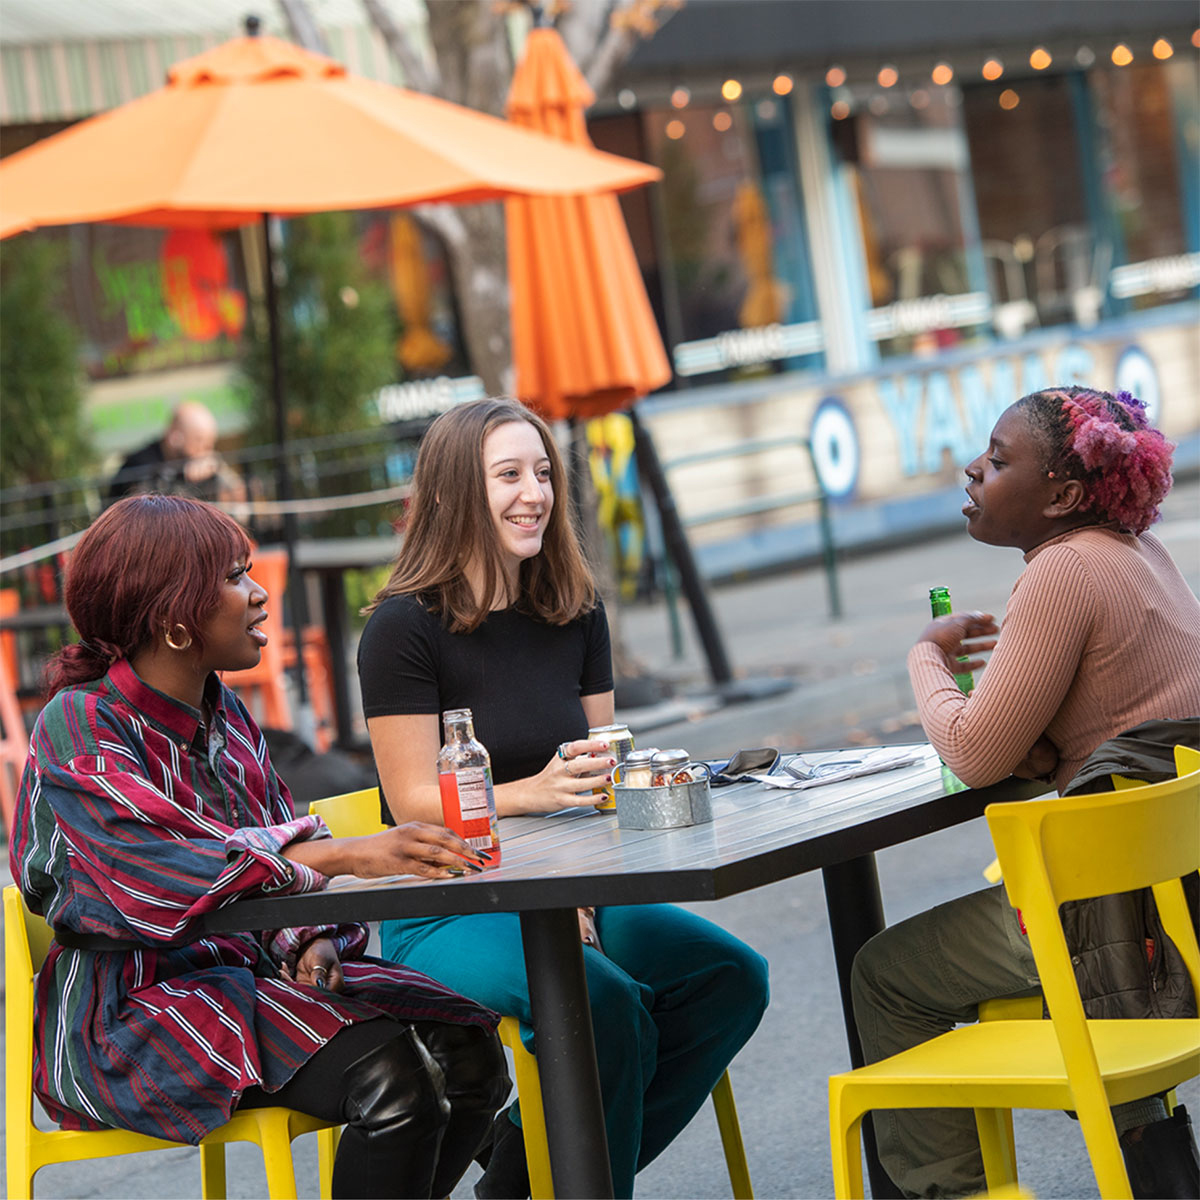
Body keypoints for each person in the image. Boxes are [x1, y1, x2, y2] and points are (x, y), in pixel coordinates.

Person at [10, 494, 510, 1200]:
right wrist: (341, 855)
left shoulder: (228, 713)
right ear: (171, 616)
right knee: (393, 1080)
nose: (259, 594)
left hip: (243, 975)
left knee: (468, 1051)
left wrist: (310, 939)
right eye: (235, 578)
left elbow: (269, 839)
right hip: (129, 1016)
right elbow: (158, 870)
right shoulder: (80, 725)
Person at [356, 397, 770, 1199]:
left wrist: (583, 872)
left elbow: (598, 773)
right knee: (599, 1001)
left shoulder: (573, 608)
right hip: (444, 904)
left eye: (542, 472)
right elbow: (411, 799)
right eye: (507, 474)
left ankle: (522, 1179)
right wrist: (532, 798)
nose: (534, 493)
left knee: (729, 976)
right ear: (450, 496)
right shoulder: (402, 629)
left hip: (574, 886)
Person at [851, 386, 1200, 1199]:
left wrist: (926, 658)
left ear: (1063, 496)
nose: (975, 468)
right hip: (1173, 901)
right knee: (1051, 976)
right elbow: (1120, 728)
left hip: (1119, 916)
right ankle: (1158, 1172)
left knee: (885, 976)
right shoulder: (1141, 553)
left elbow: (973, 754)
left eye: (1001, 460)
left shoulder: (1062, 572)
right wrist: (1052, 754)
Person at [107, 400, 246, 505]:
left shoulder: (208, 462)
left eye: (210, 445)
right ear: (175, 438)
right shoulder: (140, 462)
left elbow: (238, 494)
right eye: (199, 442)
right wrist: (182, 472)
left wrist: (217, 465)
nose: (205, 452)